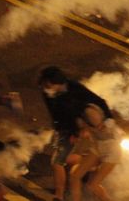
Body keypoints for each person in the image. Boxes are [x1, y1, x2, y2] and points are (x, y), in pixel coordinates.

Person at [38, 66, 112, 201]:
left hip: (74, 130)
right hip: (66, 129)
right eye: (43, 84)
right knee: (71, 167)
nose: (44, 88)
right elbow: (54, 112)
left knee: (58, 162)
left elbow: (99, 102)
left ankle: (59, 196)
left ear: (57, 83)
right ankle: (86, 163)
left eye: (47, 84)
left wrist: (106, 120)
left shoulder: (74, 89)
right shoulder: (47, 92)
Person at [69, 104, 121, 201]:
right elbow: (83, 132)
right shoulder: (82, 116)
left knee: (92, 185)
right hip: (97, 148)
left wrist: (98, 127)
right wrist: (77, 135)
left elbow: (104, 127)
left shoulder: (108, 121)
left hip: (112, 151)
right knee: (75, 176)